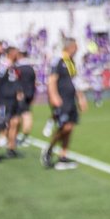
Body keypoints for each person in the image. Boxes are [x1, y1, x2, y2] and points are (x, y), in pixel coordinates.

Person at [43, 38, 87, 169]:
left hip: (70, 99)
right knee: (64, 127)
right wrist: (54, 96)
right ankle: (49, 149)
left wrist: (80, 98)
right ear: (71, 47)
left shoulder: (71, 62)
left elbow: (75, 81)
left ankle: (63, 155)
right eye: (76, 47)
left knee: (70, 127)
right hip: (62, 99)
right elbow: (51, 80)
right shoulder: (58, 60)